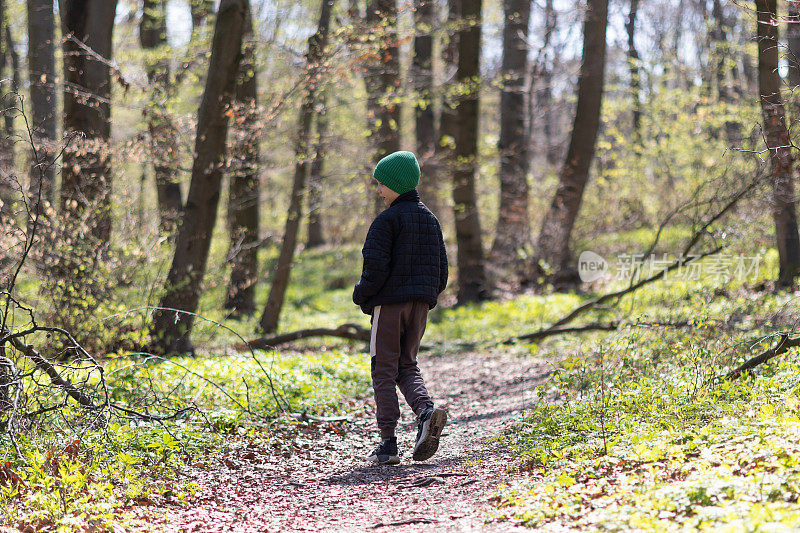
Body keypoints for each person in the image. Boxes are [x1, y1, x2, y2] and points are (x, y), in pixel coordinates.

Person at [353, 150, 448, 465]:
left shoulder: (387, 221)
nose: (378, 190)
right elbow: (442, 272)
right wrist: (426, 296)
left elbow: (375, 268)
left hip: (390, 305)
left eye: (381, 184)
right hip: (420, 305)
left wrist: (362, 296)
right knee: (407, 365)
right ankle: (425, 412)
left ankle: (388, 443)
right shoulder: (431, 220)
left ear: (395, 184)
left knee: (383, 368)